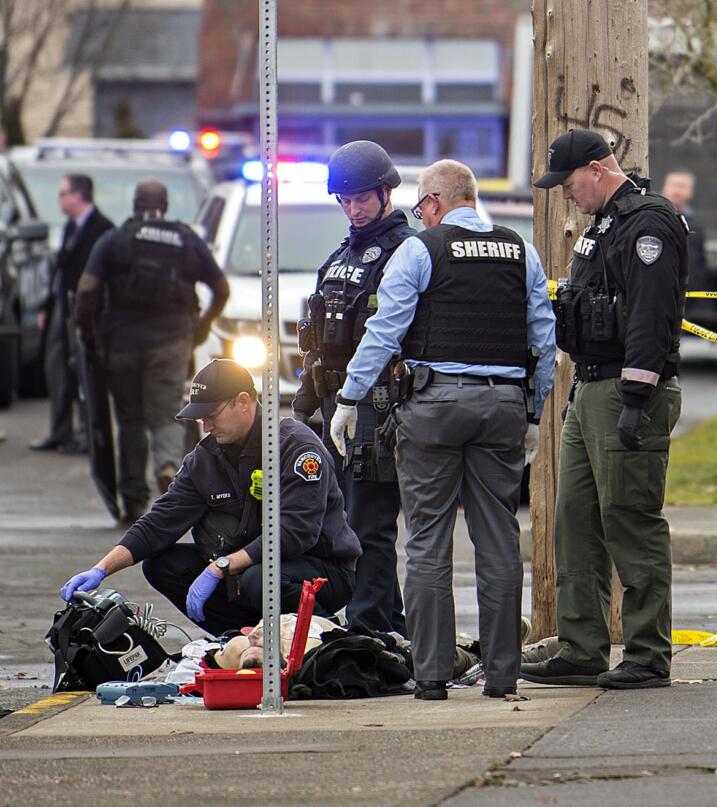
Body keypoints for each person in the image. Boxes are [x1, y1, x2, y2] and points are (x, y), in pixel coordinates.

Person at [329, 158, 555, 700]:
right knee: (498, 537)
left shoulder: (419, 250)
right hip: (502, 407)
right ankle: (503, 677)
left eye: (421, 206)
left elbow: (385, 332)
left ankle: (431, 676)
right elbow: (544, 337)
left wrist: (349, 398)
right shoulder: (519, 249)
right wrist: (533, 413)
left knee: (427, 539)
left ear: (432, 202)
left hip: (432, 407)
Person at [521, 128, 687, 690]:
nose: (566, 194)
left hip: (626, 388)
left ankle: (646, 654)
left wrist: (636, 399)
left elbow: (650, 318)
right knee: (575, 522)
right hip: (591, 386)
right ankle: (582, 645)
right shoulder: (606, 226)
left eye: (568, 183)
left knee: (630, 520)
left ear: (597, 168)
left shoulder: (647, 224)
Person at [60, 359, 361, 635]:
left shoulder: (294, 447)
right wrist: (101, 569)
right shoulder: (205, 459)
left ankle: (326, 636)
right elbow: (159, 523)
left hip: (321, 569)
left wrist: (221, 566)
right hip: (247, 568)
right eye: (200, 418)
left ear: (243, 402)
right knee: (161, 565)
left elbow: (295, 533)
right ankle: (240, 640)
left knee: (260, 579)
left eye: (212, 415)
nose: (206, 426)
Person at [292, 140, 415, 634]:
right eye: (345, 199)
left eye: (363, 197)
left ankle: (368, 630)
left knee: (370, 523)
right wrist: (307, 396)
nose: (354, 207)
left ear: (386, 193)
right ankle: (391, 624)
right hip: (335, 400)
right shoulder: (343, 253)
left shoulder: (405, 251)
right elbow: (320, 332)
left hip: (378, 403)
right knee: (349, 520)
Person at [75, 180, 229, 524]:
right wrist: (202, 325)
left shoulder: (114, 239)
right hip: (171, 342)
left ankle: (132, 499)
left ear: (135, 204)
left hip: (121, 343)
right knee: (165, 414)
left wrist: (89, 335)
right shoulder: (185, 239)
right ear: (166, 203)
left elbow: (86, 292)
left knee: (129, 420)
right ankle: (169, 468)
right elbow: (221, 288)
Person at [31, 174, 113, 454]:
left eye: (63, 193)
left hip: (85, 314)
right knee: (56, 370)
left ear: (78, 195)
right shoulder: (70, 227)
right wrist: (46, 305)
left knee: (82, 373)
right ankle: (60, 431)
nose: (60, 198)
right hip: (62, 308)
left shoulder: (102, 229)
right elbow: (61, 272)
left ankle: (85, 435)